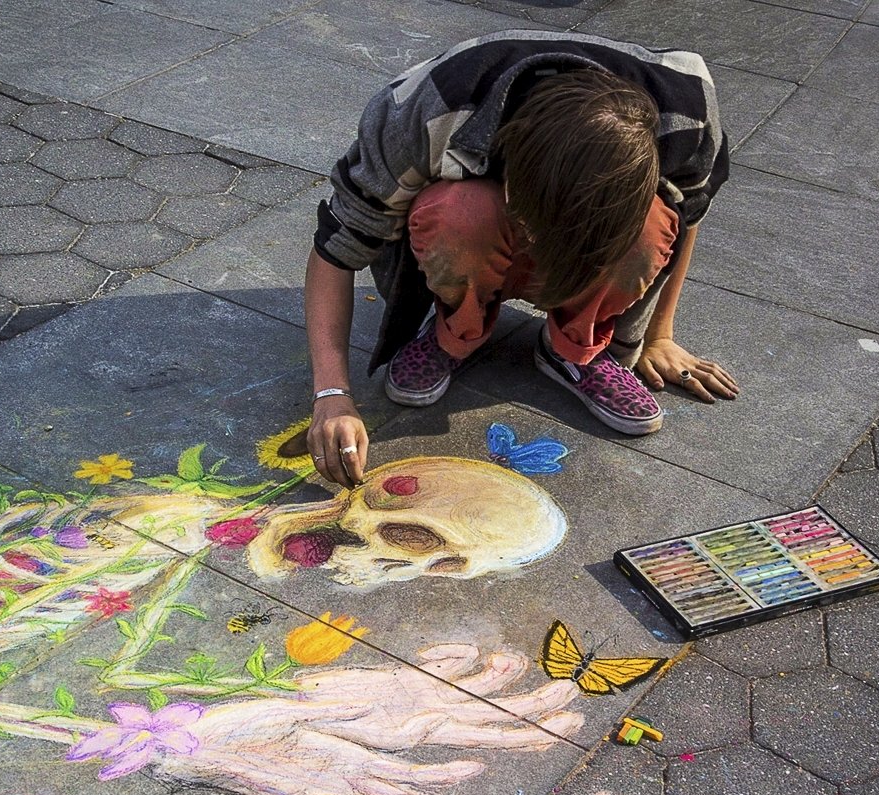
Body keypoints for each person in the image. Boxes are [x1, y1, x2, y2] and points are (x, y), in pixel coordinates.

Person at [303, 30, 740, 488]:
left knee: (651, 229)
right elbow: (336, 249)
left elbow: (687, 216)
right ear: (507, 175)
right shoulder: (422, 113)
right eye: (536, 233)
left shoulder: (687, 115)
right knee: (460, 215)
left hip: (610, 185)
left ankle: (577, 346)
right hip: (467, 206)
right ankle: (456, 329)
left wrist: (658, 337)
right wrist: (331, 395)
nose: (546, 260)